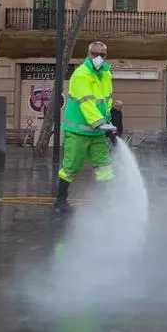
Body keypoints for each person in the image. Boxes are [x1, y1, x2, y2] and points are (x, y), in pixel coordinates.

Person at [55, 40, 117, 213]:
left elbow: (107, 99)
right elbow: (86, 102)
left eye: (102, 55)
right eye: (95, 54)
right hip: (78, 131)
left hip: (97, 132)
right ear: (88, 54)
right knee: (71, 166)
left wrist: (108, 120)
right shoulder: (80, 75)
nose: (98, 57)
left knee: (104, 167)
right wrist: (100, 123)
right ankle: (60, 200)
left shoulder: (106, 75)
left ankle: (107, 203)